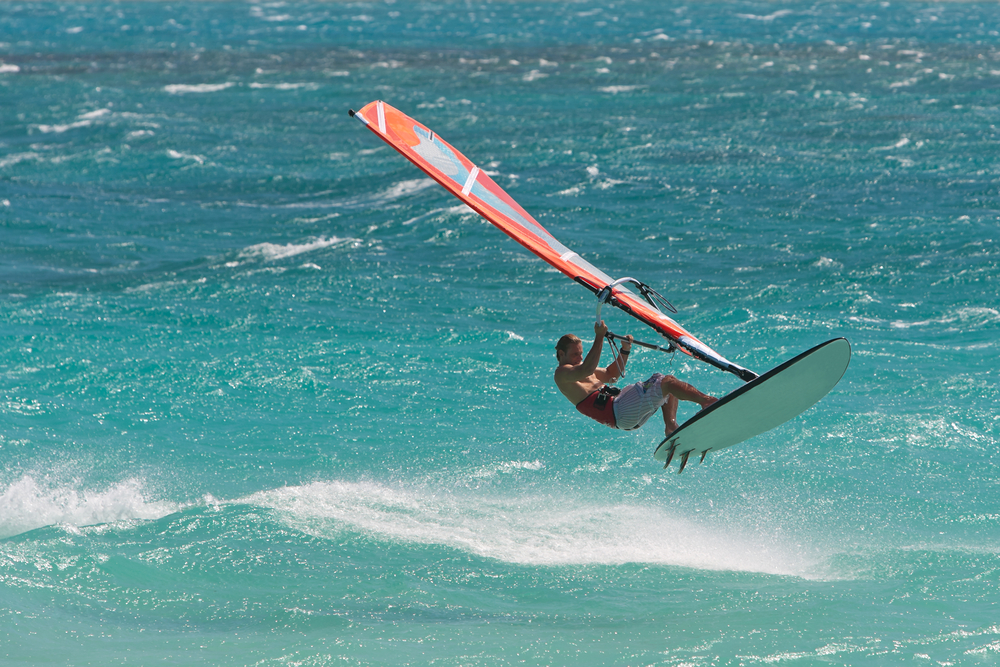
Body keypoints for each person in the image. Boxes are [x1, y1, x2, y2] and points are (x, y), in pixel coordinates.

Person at [554, 320, 717, 435]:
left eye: (581, 353)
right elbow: (586, 368)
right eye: (576, 354)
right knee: (666, 383)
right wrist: (599, 336)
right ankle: (707, 402)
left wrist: (625, 349)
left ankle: (671, 427)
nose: (580, 357)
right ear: (562, 354)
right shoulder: (562, 374)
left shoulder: (580, 368)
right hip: (619, 411)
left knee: (668, 382)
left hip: (623, 408)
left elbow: (612, 375)